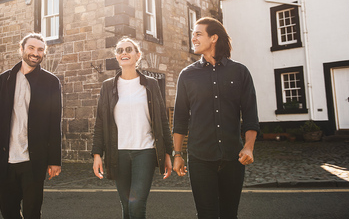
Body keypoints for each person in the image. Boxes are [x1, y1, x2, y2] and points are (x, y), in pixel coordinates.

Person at [173, 17, 260, 219]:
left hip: (232, 158)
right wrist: (177, 153)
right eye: (192, 33)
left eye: (198, 33)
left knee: (229, 215)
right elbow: (180, 119)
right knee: (206, 215)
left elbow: (250, 114)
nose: (192, 37)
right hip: (200, 159)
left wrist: (249, 146)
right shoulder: (187, 75)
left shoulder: (240, 72)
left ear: (213, 37)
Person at [0, 32, 62, 219]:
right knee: (8, 212)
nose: (35, 53)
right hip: (5, 160)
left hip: (34, 161)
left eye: (40, 50)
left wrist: (55, 160)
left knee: (32, 213)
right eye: (31, 48)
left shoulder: (51, 82)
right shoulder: (5, 79)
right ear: (21, 49)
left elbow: (54, 124)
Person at [92, 37, 173, 219]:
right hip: (118, 153)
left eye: (129, 49)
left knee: (136, 204)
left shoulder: (150, 84)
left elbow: (161, 120)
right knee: (126, 207)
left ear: (137, 56)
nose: (124, 53)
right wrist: (97, 154)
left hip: (145, 151)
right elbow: (100, 122)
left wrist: (167, 153)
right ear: (116, 57)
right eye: (120, 50)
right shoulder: (108, 87)